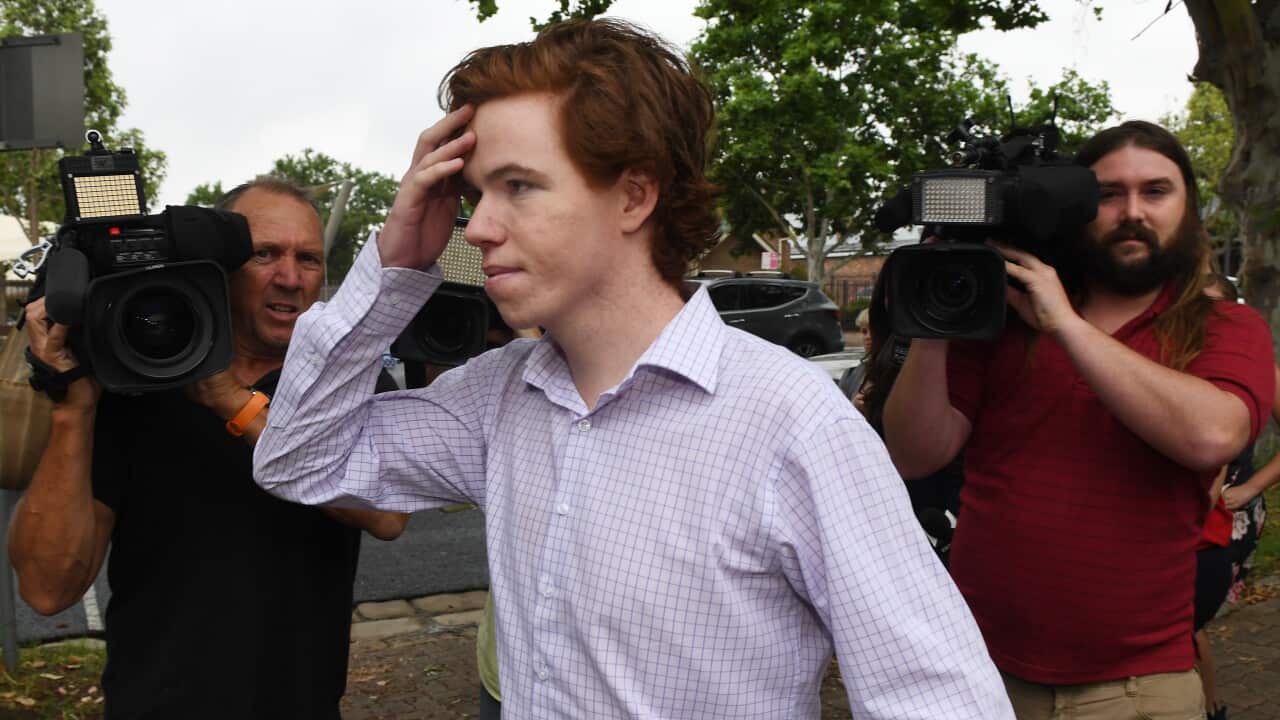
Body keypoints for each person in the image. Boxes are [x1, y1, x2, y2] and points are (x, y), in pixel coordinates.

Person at [253, 18, 1014, 720]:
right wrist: (394, 264)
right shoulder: (500, 397)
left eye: (518, 186)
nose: (477, 228)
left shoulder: (790, 425)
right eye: (474, 194)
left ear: (634, 195)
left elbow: (938, 698)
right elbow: (298, 461)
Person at [883, 120, 1276, 720]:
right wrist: (934, 319)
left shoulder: (1224, 327)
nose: (1132, 211)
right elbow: (915, 455)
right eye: (1108, 194)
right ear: (1074, 207)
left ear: (1189, 206)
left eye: (1156, 191)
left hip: (1139, 688)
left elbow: (1212, 435)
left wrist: (1065, 324)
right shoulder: (1004, 319)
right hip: (982, 674)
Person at [9, 178, 409, 719]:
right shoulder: (136, 386)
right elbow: (46, 589)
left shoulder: (345, 384)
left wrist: (231, 402)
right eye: (265, 254)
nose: (290, 278)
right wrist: (73, 408)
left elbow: (386, 514)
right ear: (217, 265)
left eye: (309, 259)